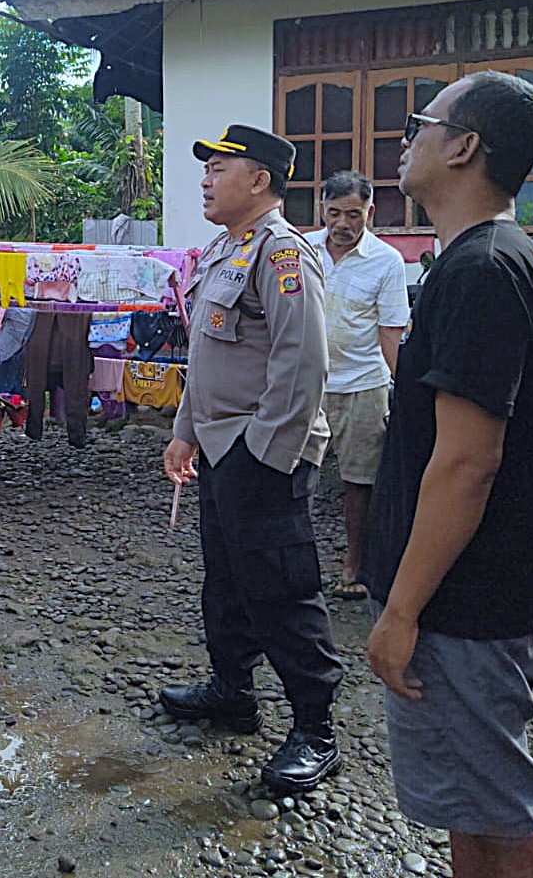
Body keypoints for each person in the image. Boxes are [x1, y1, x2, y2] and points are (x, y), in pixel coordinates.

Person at [362, 71, 533, 878]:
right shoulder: (484, 260)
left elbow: (466, 463)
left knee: (502, 816)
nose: (405, 138)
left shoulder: (485, 269)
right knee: (470, 808)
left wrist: (401, 610)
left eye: (420, 122)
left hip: (463, 603)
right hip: (468, 596)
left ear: (463, 147)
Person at [159, 124, 344, 795]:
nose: (205, 179)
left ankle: (316, 729)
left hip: (262, 451)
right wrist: (185, 430)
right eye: (206, 168)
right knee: (227, 580)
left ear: (259, 179)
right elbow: (207, 354)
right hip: (219, 446)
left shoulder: (283, 253)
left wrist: (265, 455)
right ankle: (232, 691)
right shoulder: (224, 249)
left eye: (219, 168)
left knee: (281, 590)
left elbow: (303, 363)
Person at [306, 171, 410, 601]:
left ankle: (355, 565)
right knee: (293, 473)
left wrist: (406, 391)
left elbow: (391, 333)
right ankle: (296, 563)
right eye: (334, 213)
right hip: (307, 384)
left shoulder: (387, 261)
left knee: (360, 482)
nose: (342, 223)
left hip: (363, 383)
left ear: (370, 212)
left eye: (353, 214)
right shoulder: (302, 250)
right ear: (322, 211)